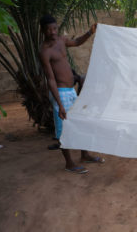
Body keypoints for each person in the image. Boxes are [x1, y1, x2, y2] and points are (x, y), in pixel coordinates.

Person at [39, 15, 105, 174]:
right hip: (60, 93)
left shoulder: (62, 41)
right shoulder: (45, 52)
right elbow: (51, 79)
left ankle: (84, 155)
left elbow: (76, 42)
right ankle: (69, 163)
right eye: (48, 30)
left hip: (70, 91)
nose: (52, 32)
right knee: (64, 128)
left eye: (54, 28)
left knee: (80, 122)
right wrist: (59, 104)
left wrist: (90, 32)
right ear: (43, 31)